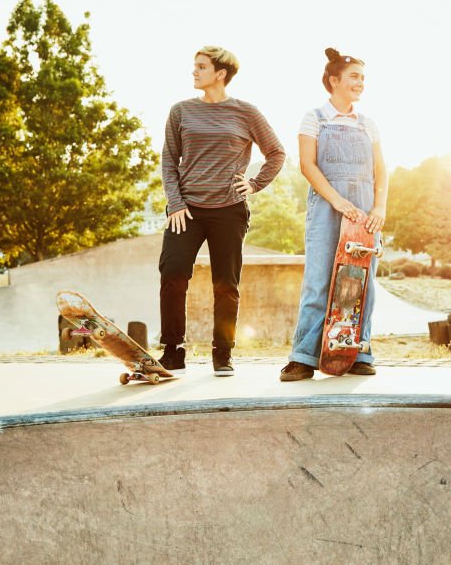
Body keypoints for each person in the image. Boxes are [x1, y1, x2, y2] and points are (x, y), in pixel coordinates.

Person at [159, 46, 285, 375]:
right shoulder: (181, 111)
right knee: (172, 275)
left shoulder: (246, 112)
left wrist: (255, 184)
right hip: (185, 210)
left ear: (221, 74)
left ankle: (223, 353)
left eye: (201, 67)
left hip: (229, 210)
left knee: (226, 284)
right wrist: (175, 202)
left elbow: (276, 152)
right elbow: (169, 160)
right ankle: (173, 350)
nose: (194, 72)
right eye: (194, 66)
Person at [281, 48, 388, 381]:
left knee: (362, 282)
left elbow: (382, 170)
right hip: (328, 207)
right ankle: (303, 357)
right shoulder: (315, 117)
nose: (361, 83)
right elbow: (307, 164)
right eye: (354, 76)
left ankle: (358, 352)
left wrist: (380, 207)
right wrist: (338, 201)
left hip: (366, 209)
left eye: (363, 78)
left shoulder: (367, 123)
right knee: (319, 280)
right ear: (334, 81)